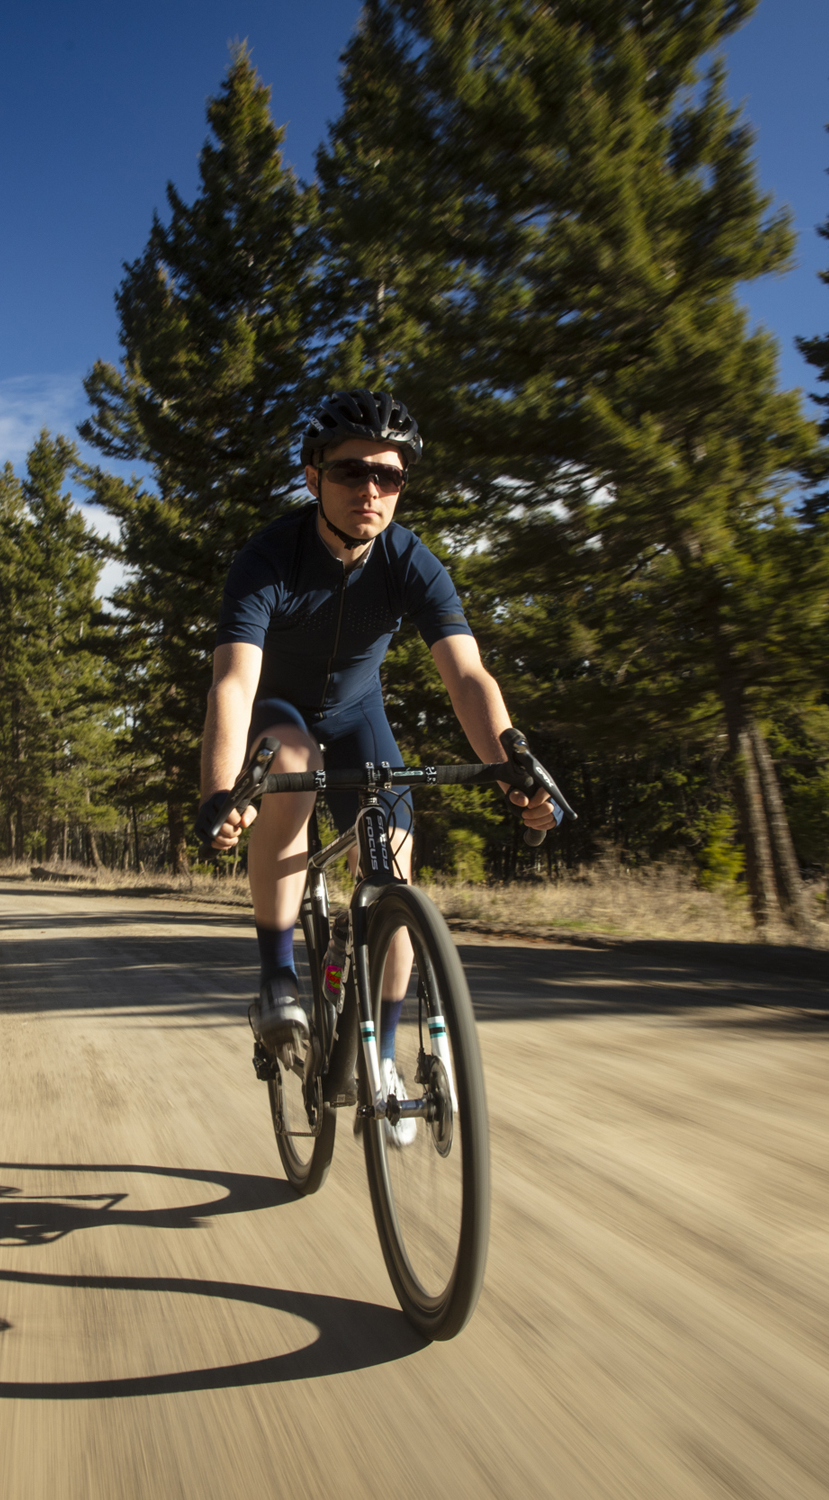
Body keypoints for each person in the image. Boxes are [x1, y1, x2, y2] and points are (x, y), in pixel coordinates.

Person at [195, 389, 554, 1127]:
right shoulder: (267, 560)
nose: (370, 491)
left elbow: (466, 676)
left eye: (388, 477)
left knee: (394, 872)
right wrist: (222, 791)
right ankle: (277, 980)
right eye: (352, 472)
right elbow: (233, 683)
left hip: (359, 719)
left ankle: (381, 1059)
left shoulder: (411, 561)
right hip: (281, 713)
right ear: (312, 478)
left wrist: (515, 763)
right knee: (288, 770)